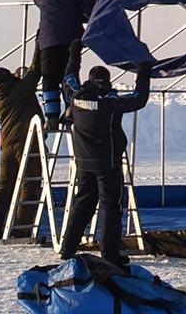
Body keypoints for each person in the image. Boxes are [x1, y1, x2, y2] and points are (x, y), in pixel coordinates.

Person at [58, 62, 151, 266]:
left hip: (83, 161)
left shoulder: (76, 96)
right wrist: (143, 73)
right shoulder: (110, 101)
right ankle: (110, 254)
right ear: (107, 81)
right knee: (110, 207)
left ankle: (67, 248)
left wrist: (73, 56)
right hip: (107, 162)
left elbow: (68, 79)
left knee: (82, 204)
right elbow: (138, 99)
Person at [33, 0, 105, 123]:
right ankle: (71, 108)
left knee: (49, 77)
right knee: (70, 74)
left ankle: (51, 115)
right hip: (71, 39)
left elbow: (37, 1)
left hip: (47, 40)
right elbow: (86, 1)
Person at [0, 60, 44, 242]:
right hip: (25, 143)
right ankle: (21, 229)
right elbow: (36, 70)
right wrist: (39, 44)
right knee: (30, 184)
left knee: (4, 186)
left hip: (7, 147)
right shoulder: (20, 91)